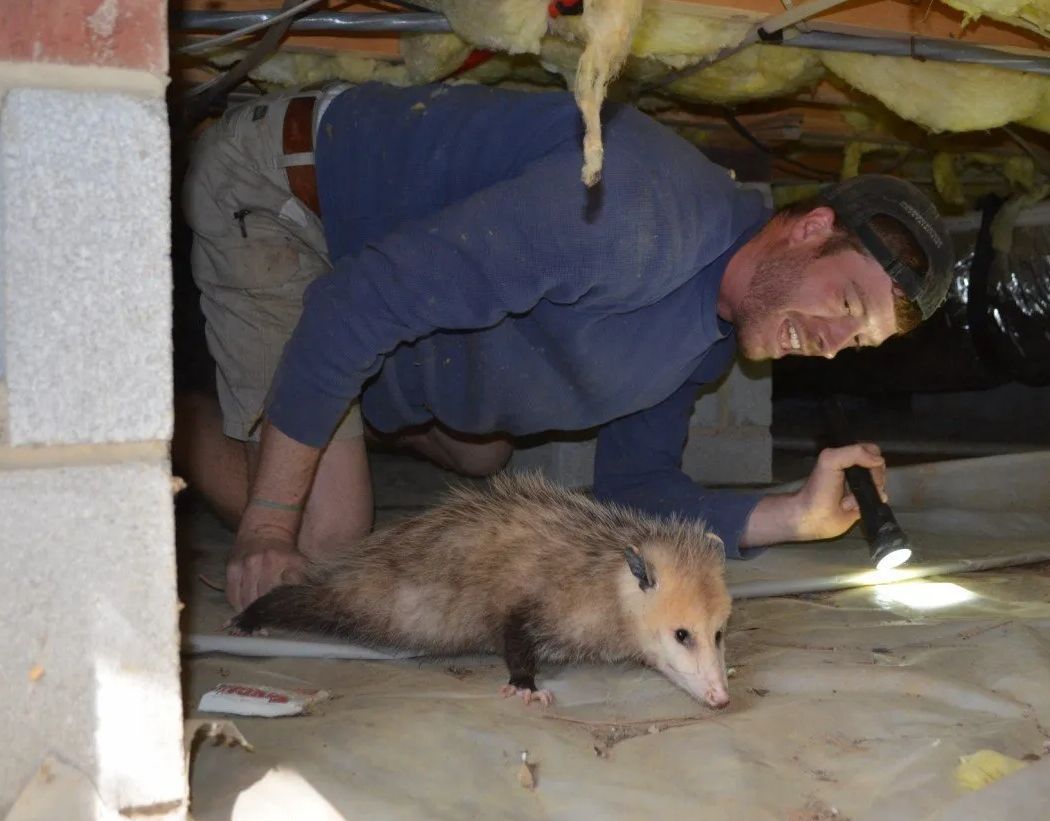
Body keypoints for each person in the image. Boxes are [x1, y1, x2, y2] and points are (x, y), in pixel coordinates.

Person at [175, 82, 952, 611]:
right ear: (811, 228)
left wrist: (788, 516)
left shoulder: (707, 342)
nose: (831, 343)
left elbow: (632, 489)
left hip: (381, 274)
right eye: (846, 303)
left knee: (483, 454)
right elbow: (354, 305)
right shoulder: (633, 223)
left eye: (857, 340)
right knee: (330, 537)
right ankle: (171, 426)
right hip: (291, 200)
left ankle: (319, 411)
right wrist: (268, 526)